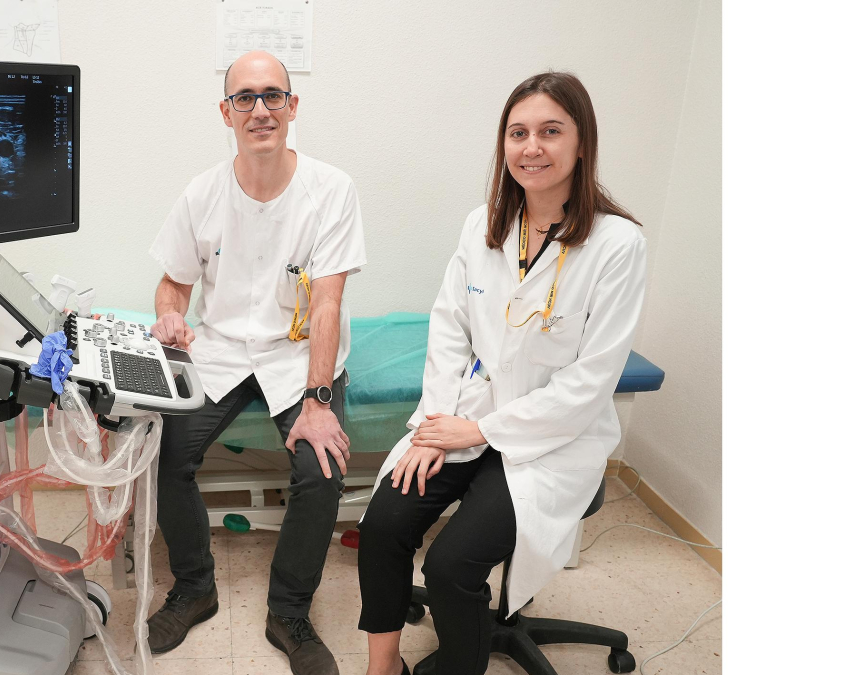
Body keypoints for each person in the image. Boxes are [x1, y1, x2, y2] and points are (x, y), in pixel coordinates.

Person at [356, 71, 648, 675]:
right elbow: (449, 329)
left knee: (450, 566)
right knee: (384, 522)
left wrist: (482, 434)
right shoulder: (482, 226)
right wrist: (438, 422)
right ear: (504, 145)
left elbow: (591, 381)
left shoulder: (618, 245)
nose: (531, 147)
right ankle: (381, 668)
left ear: (581, 144)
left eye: (549, 131)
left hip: (553, 440)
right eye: (518, 133)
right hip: (466, 413)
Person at [145, 50, 367, 675]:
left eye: (273, 95)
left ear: (293, 108)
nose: (260, 108)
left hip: (300, 356)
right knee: (166, 450)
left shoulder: (331, 190)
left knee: (321, 467)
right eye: (245, 97)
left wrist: (320, 404)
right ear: (226, 112)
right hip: (218, 350)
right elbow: (173, 283)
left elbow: (328, 304)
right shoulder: (201, 194)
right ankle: (194, 588)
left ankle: (289, 612)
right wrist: (169, 316)